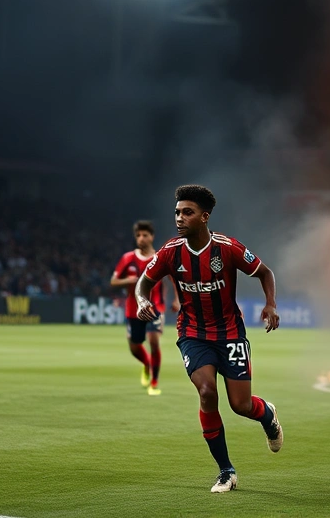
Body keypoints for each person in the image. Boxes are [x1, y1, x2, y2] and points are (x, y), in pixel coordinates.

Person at [136, 184, 283, 493]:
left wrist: (270, 304)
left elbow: (265, 272)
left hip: (230, 333)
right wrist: (142, 300)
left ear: (204, 217)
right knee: (206, 392)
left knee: (240, 405)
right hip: (192, 333)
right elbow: (144, 283)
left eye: (187, 213)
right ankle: (226, 471)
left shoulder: (227, 248)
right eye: (177, 212)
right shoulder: (169, 252)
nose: (179, 218)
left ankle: (267, 414)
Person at [111, 220, 180, 396]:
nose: (141, 238)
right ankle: (147, 364)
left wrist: (177, 300)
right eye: (138, 235)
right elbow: (114, 281)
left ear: (152, 237)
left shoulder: (159, 258)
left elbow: (174, 279)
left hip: (155, 307)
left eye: (145, 235)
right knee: (134, 347)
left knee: (154, 341)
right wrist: (128, 281)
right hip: (133, 309)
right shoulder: (128, 258)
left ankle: (154, 383)